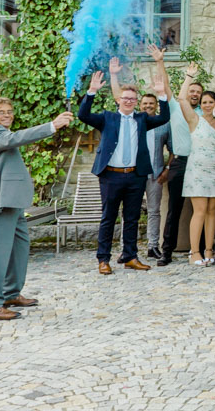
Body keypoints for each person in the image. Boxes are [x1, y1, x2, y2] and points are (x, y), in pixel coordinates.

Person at [78, 46, 171, 274]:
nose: (129, 101)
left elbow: (165, 117)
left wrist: (162, 95)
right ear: (119, 99)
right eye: (126, 98)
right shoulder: (107, 119)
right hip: (111, 175)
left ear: (136, 102)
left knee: (131, 218)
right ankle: (103, 259)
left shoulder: (142, 119)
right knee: (108, 218)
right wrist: (91, 92)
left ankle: (130, 256)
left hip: (135, 175)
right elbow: (83, 115)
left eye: (133, 99)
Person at [0, 99, 73, 319]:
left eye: (10, 112)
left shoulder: (3, 133)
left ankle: (11, 293)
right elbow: (16, 138)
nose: (7, 115)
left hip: (13, 203)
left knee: (19, 249)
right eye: (1, 112)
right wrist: (52, 125)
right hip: (0, 202)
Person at [175, 63, 215, 267]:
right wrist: (189, 76)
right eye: (204, 102)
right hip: (197, 170)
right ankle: (194, 251)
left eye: (211, 102)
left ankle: (209, 249)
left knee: (213, 210)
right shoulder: (194, 119)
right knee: (200, 210)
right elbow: (181, 99)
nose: (207, 105)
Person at [156, 79, 201, 266]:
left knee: (202, 209)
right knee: (174, 209)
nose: (195, 94)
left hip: (199, 163)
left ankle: (201, 249)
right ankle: (167, 251)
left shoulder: (203, 112)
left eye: (198, 92)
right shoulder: (175, 108)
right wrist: (159, 61)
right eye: (192, 91)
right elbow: (166, 85)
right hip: (180, 162)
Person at [133, 93, 172, 261]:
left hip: (155, 173)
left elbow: (173, 150)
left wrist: (167, 169)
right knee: (130, 212)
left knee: (154, 211)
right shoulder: (133, 122)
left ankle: (153, 246)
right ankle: (127, 248)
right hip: (134, 174)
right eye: (144, 103)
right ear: (140, 105)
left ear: (156, 106)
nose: (147, 106)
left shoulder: (163, 124)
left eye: (151, 103)